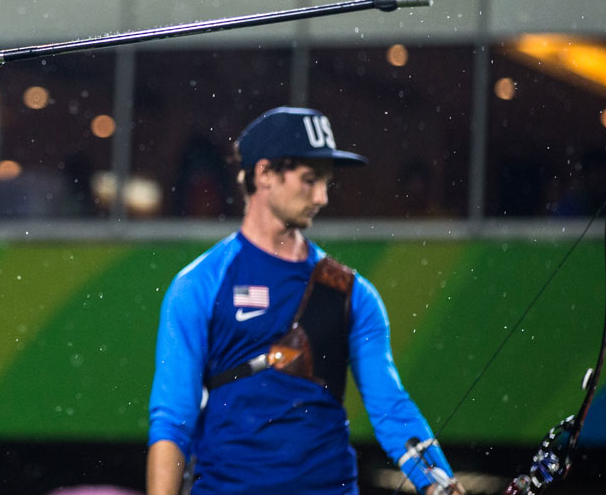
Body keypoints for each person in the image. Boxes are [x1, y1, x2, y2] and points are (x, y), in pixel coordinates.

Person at [146, 107, 464, 495]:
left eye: (326, 183)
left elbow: (391, 408)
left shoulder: (352, 293)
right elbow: (172, 419)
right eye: (310, 180)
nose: (322, 197)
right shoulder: (200, 285)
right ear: (264, 173)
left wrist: (439, 483)